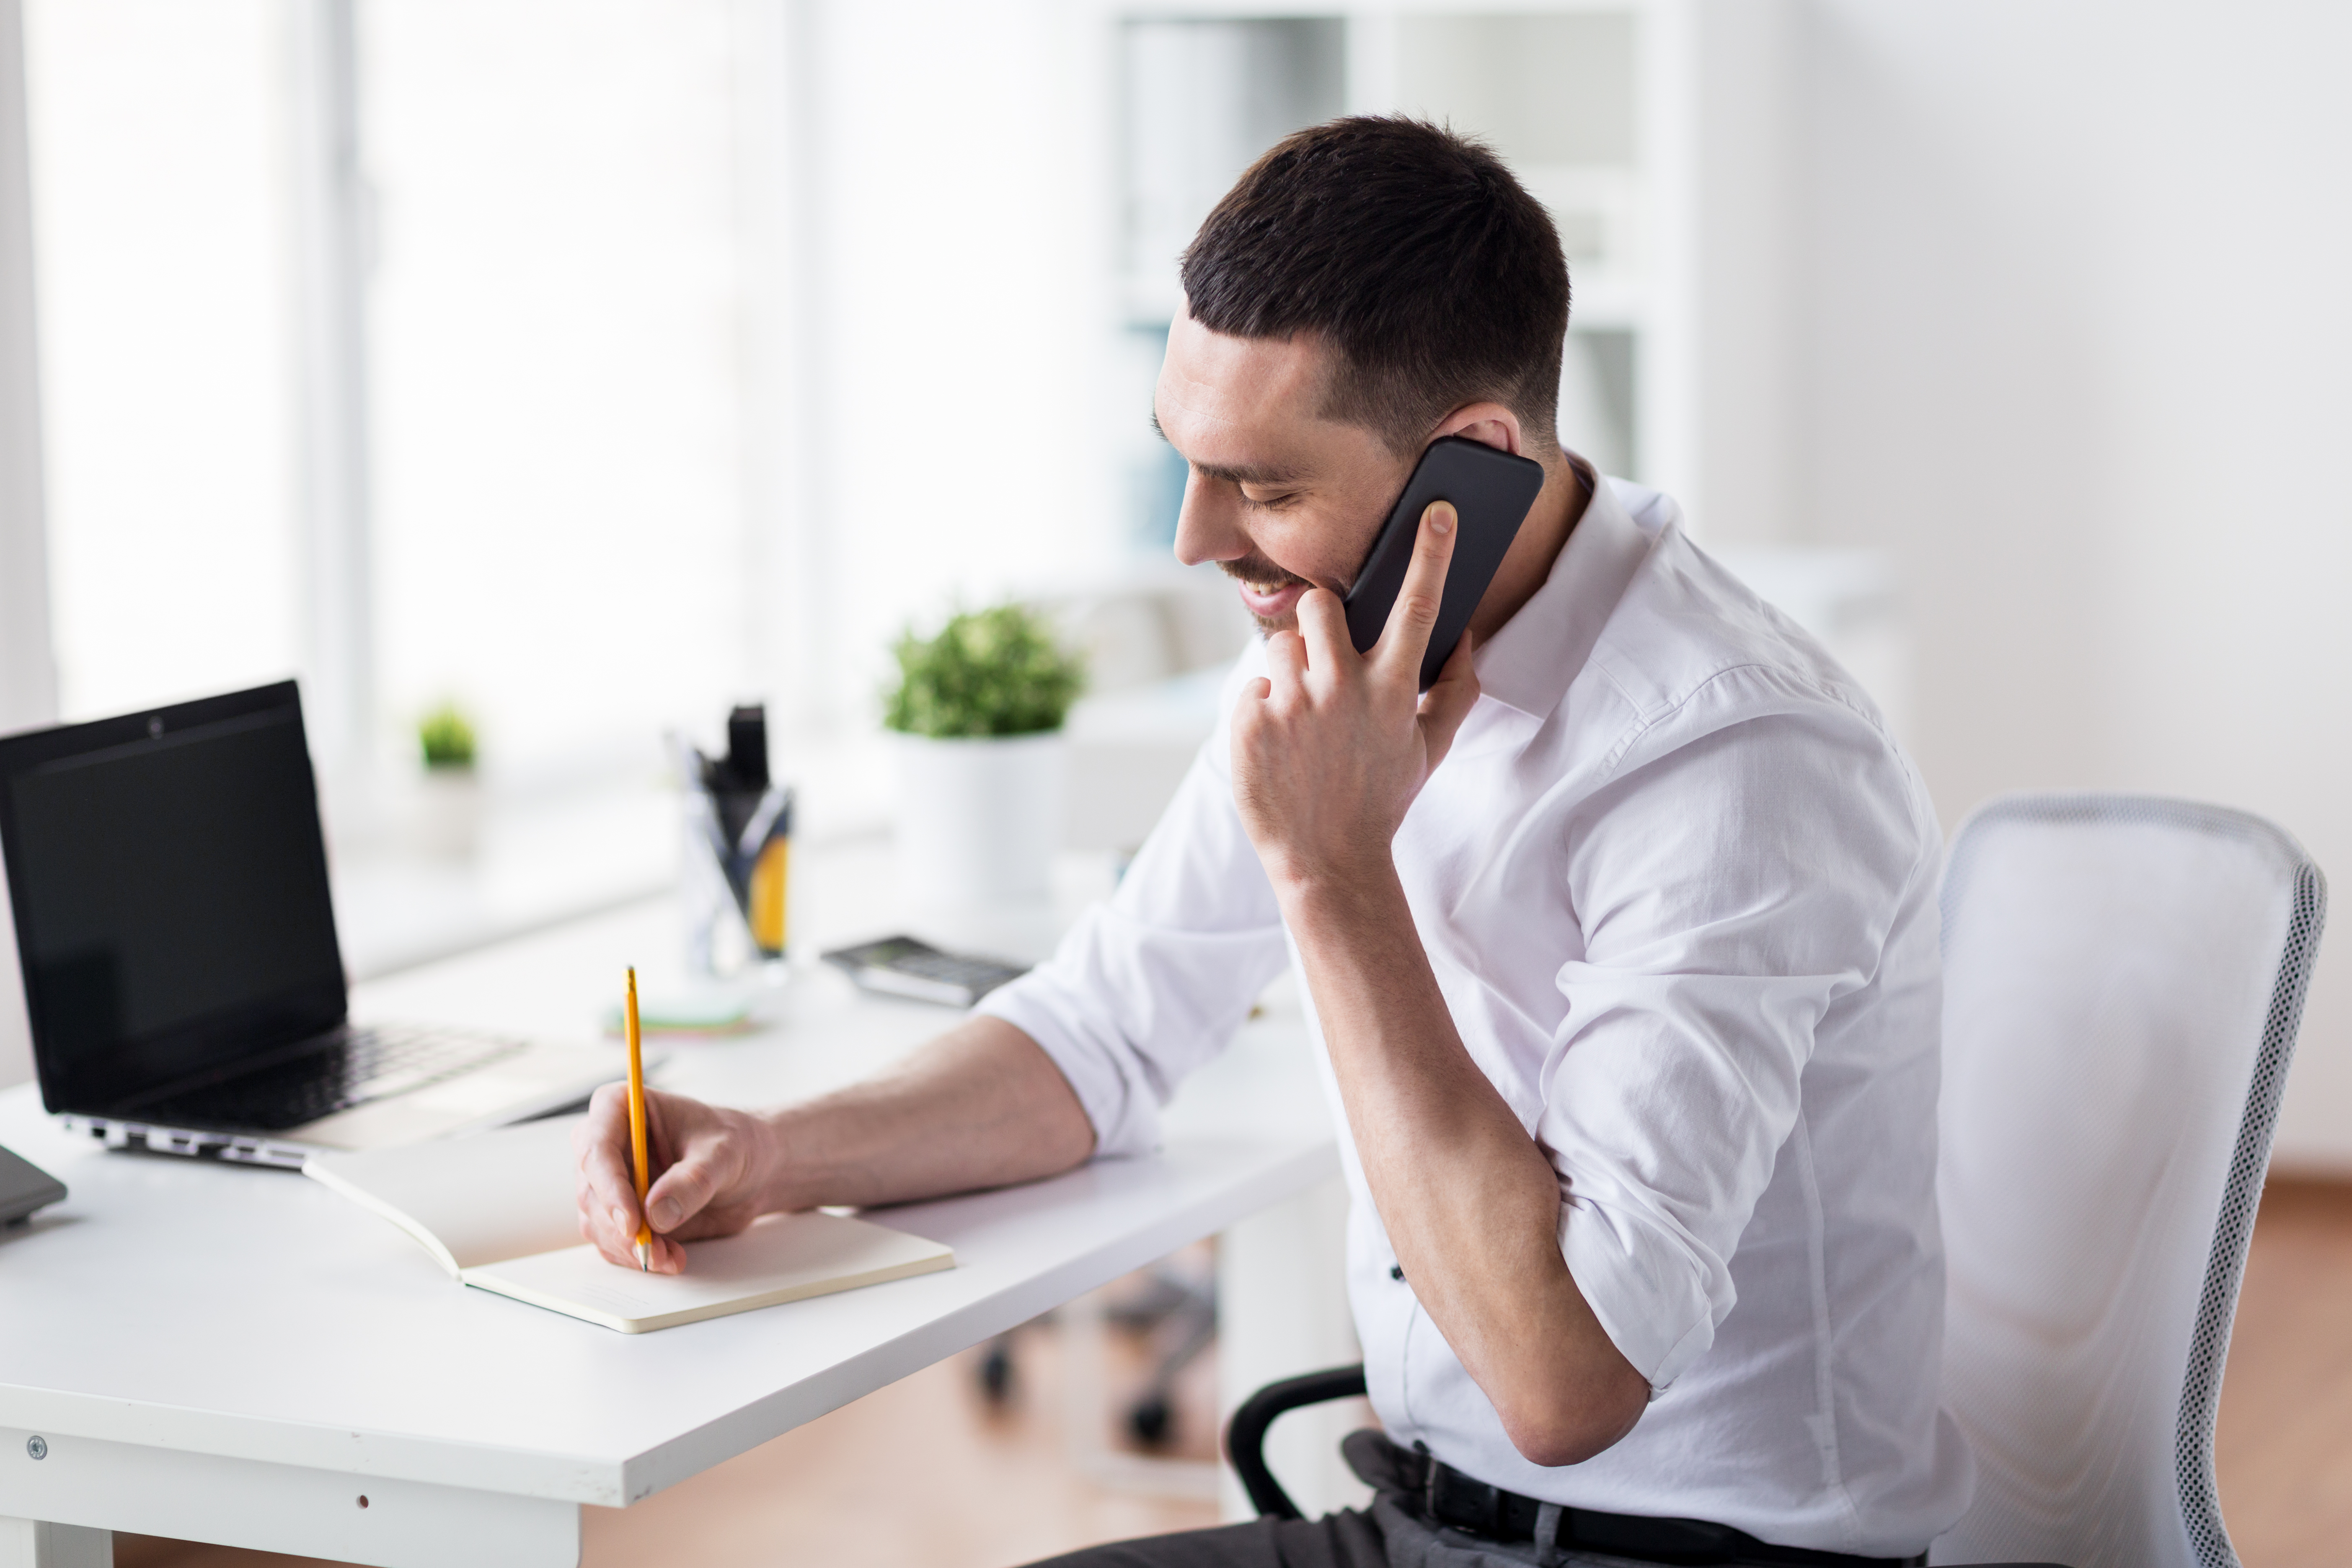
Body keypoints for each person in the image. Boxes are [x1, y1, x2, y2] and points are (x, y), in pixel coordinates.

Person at [574, 116, 1972, 1568]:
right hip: (1413, 1521)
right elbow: (1103, 1034)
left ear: (1470, 470)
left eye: (1265, 485)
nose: (1195, 540)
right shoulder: (1337, 661)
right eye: (1184, 461)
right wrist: (768, 1151)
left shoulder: (1736, 759)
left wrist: (1329, 870)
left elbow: (1570, 1381)